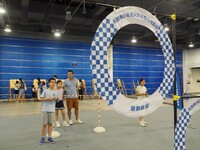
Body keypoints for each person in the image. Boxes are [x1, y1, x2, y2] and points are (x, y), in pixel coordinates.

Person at [39, 78, 59, 145]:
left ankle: (49, 137)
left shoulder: (56, 91)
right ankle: (42, 138)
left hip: (52, 109)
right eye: (51, 82)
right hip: (45, 109)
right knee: (44, 124)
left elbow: (58, 99)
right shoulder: (45, 91)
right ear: (49, 83)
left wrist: (56, 99)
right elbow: (40, 99)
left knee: (50, 124)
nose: (53, 83)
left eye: (54, 82)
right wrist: (47, 99)